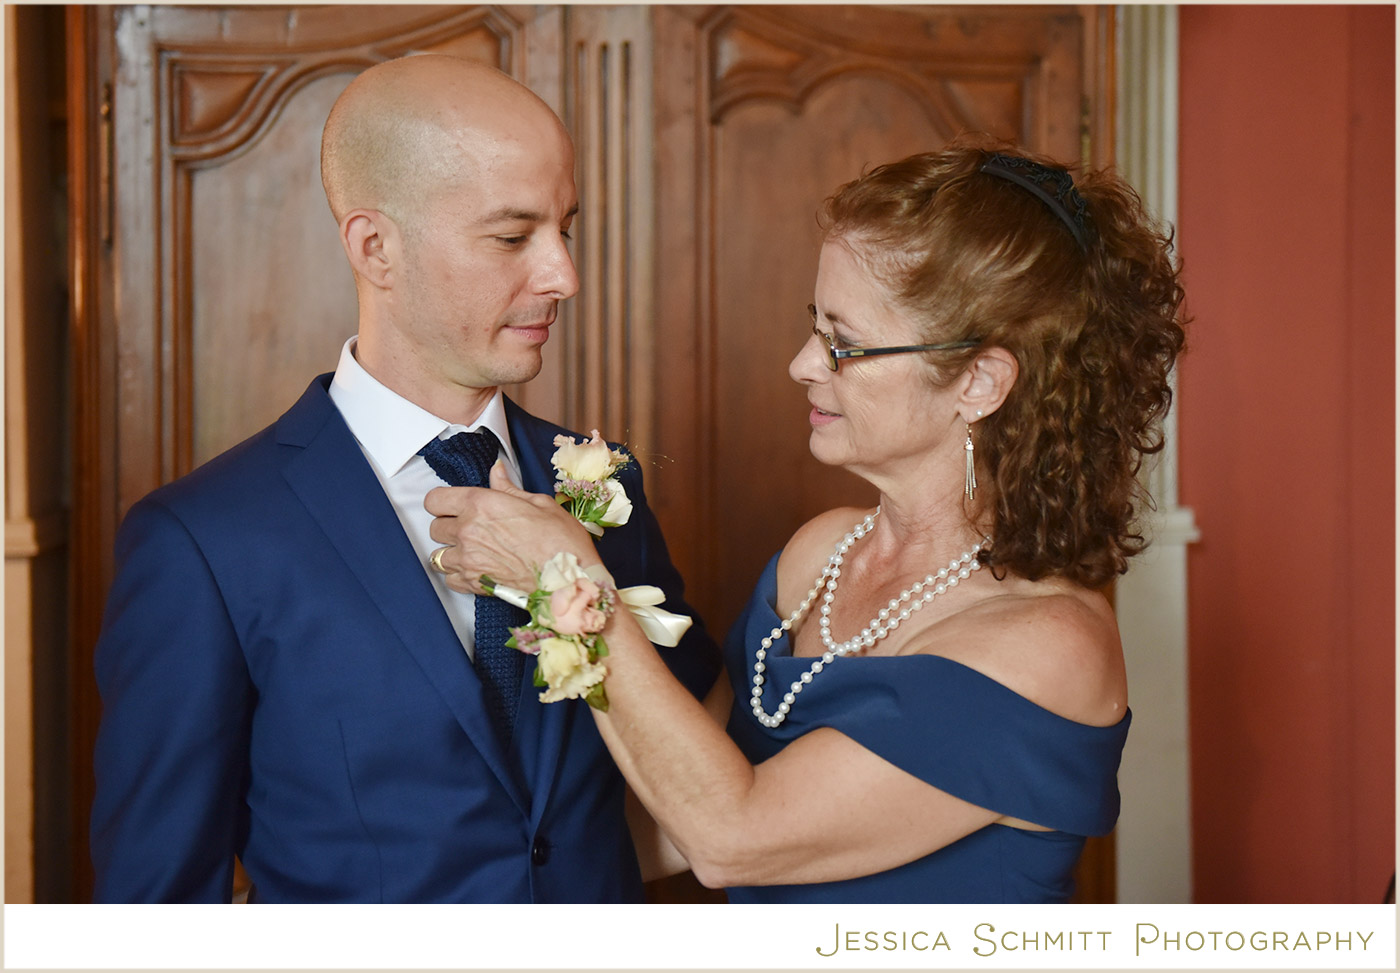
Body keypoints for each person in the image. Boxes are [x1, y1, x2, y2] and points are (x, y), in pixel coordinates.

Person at [428, 137, 1186, 902]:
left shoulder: (1053, 647)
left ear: (980, 382)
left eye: (843, 345)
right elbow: (673, 811)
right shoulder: (819, 553)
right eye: (815, 326)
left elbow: (732, 838)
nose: (802, 363)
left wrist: (567, 582)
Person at [88, 54, 717, 903]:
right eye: (513, 236)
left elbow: (694, 757)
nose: (564, 276)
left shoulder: (606, 485)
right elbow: (157, 901)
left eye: (565, 229)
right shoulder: (204, 541)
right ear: (375, 247)